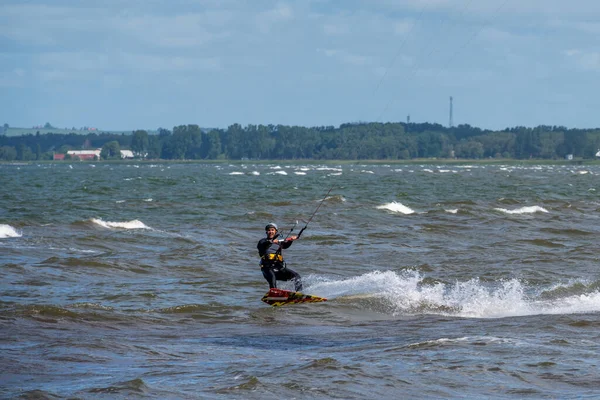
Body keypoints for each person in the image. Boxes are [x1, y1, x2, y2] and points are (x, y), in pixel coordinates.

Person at [257, 222, 303, 292]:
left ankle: (299, 293)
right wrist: (271, 241)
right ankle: (274, 293)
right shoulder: (262, 241)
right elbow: (264, 244)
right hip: (267, 268)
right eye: (269, 230)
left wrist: (291, 240)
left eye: (272, 230)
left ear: (275, 231)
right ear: (266, 232)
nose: (270, 232)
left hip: (279, 268)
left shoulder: (279, 242)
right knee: (272, 277)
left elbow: (286, 245)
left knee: (296, 276)